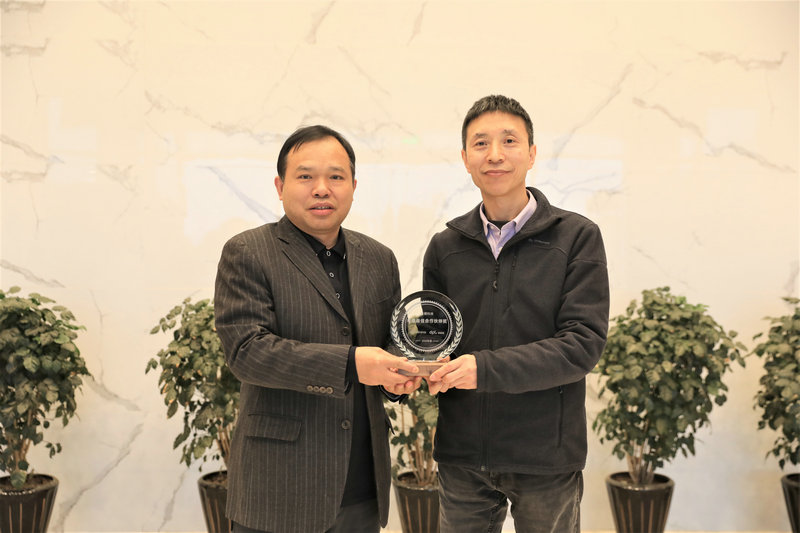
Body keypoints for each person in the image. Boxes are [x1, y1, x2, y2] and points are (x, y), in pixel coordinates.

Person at [214, 124, 421, 533]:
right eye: (306, 176)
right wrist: (351, 364)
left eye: (336, 177)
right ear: (280, 186)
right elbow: (247, 352)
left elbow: (386, 346)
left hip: (361, 487)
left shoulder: (379, 258)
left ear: (354, 187)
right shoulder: (248, 252)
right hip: (279, 489)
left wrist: (399, 376)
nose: (322, 189)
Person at [423, 95, 609, 533]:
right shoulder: (445, 247)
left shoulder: (577, 237)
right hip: (462, 454)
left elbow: (581, 346)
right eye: (481, 143)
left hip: (546, 454)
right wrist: (417, 366)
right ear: (465, 158)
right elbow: (434, 339)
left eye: (509, 141)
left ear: (532, 153)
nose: (495, 154)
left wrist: (482, 369)